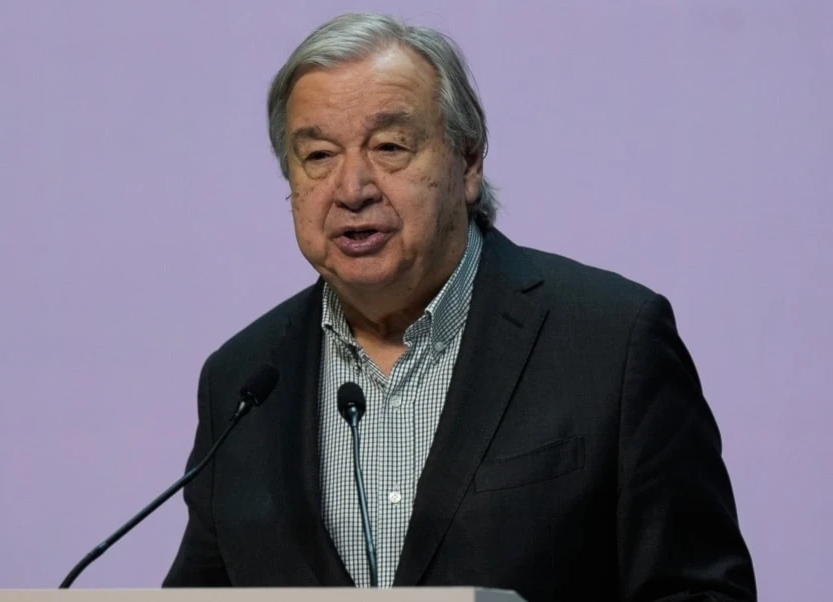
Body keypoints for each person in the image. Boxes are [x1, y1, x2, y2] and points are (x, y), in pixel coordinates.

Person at [162, 12, 756, 602]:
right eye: (318, 156)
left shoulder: (612, 342)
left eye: (389, 146)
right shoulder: (241, 381)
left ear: (467, 163)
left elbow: (700, 593)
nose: (351, 189)